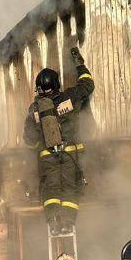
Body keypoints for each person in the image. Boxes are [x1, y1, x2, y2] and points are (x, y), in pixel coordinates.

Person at [23, 47, 95, 235]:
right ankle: (68, 223)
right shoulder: (69, 98)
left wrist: (40, 147)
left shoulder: (35, 110)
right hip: (70, 153)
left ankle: (53, 222)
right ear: (56, 84)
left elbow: (29, 140)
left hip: (48, 157)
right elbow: (88, 85)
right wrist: (79, 63)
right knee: (70, 189)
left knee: (51, 190)